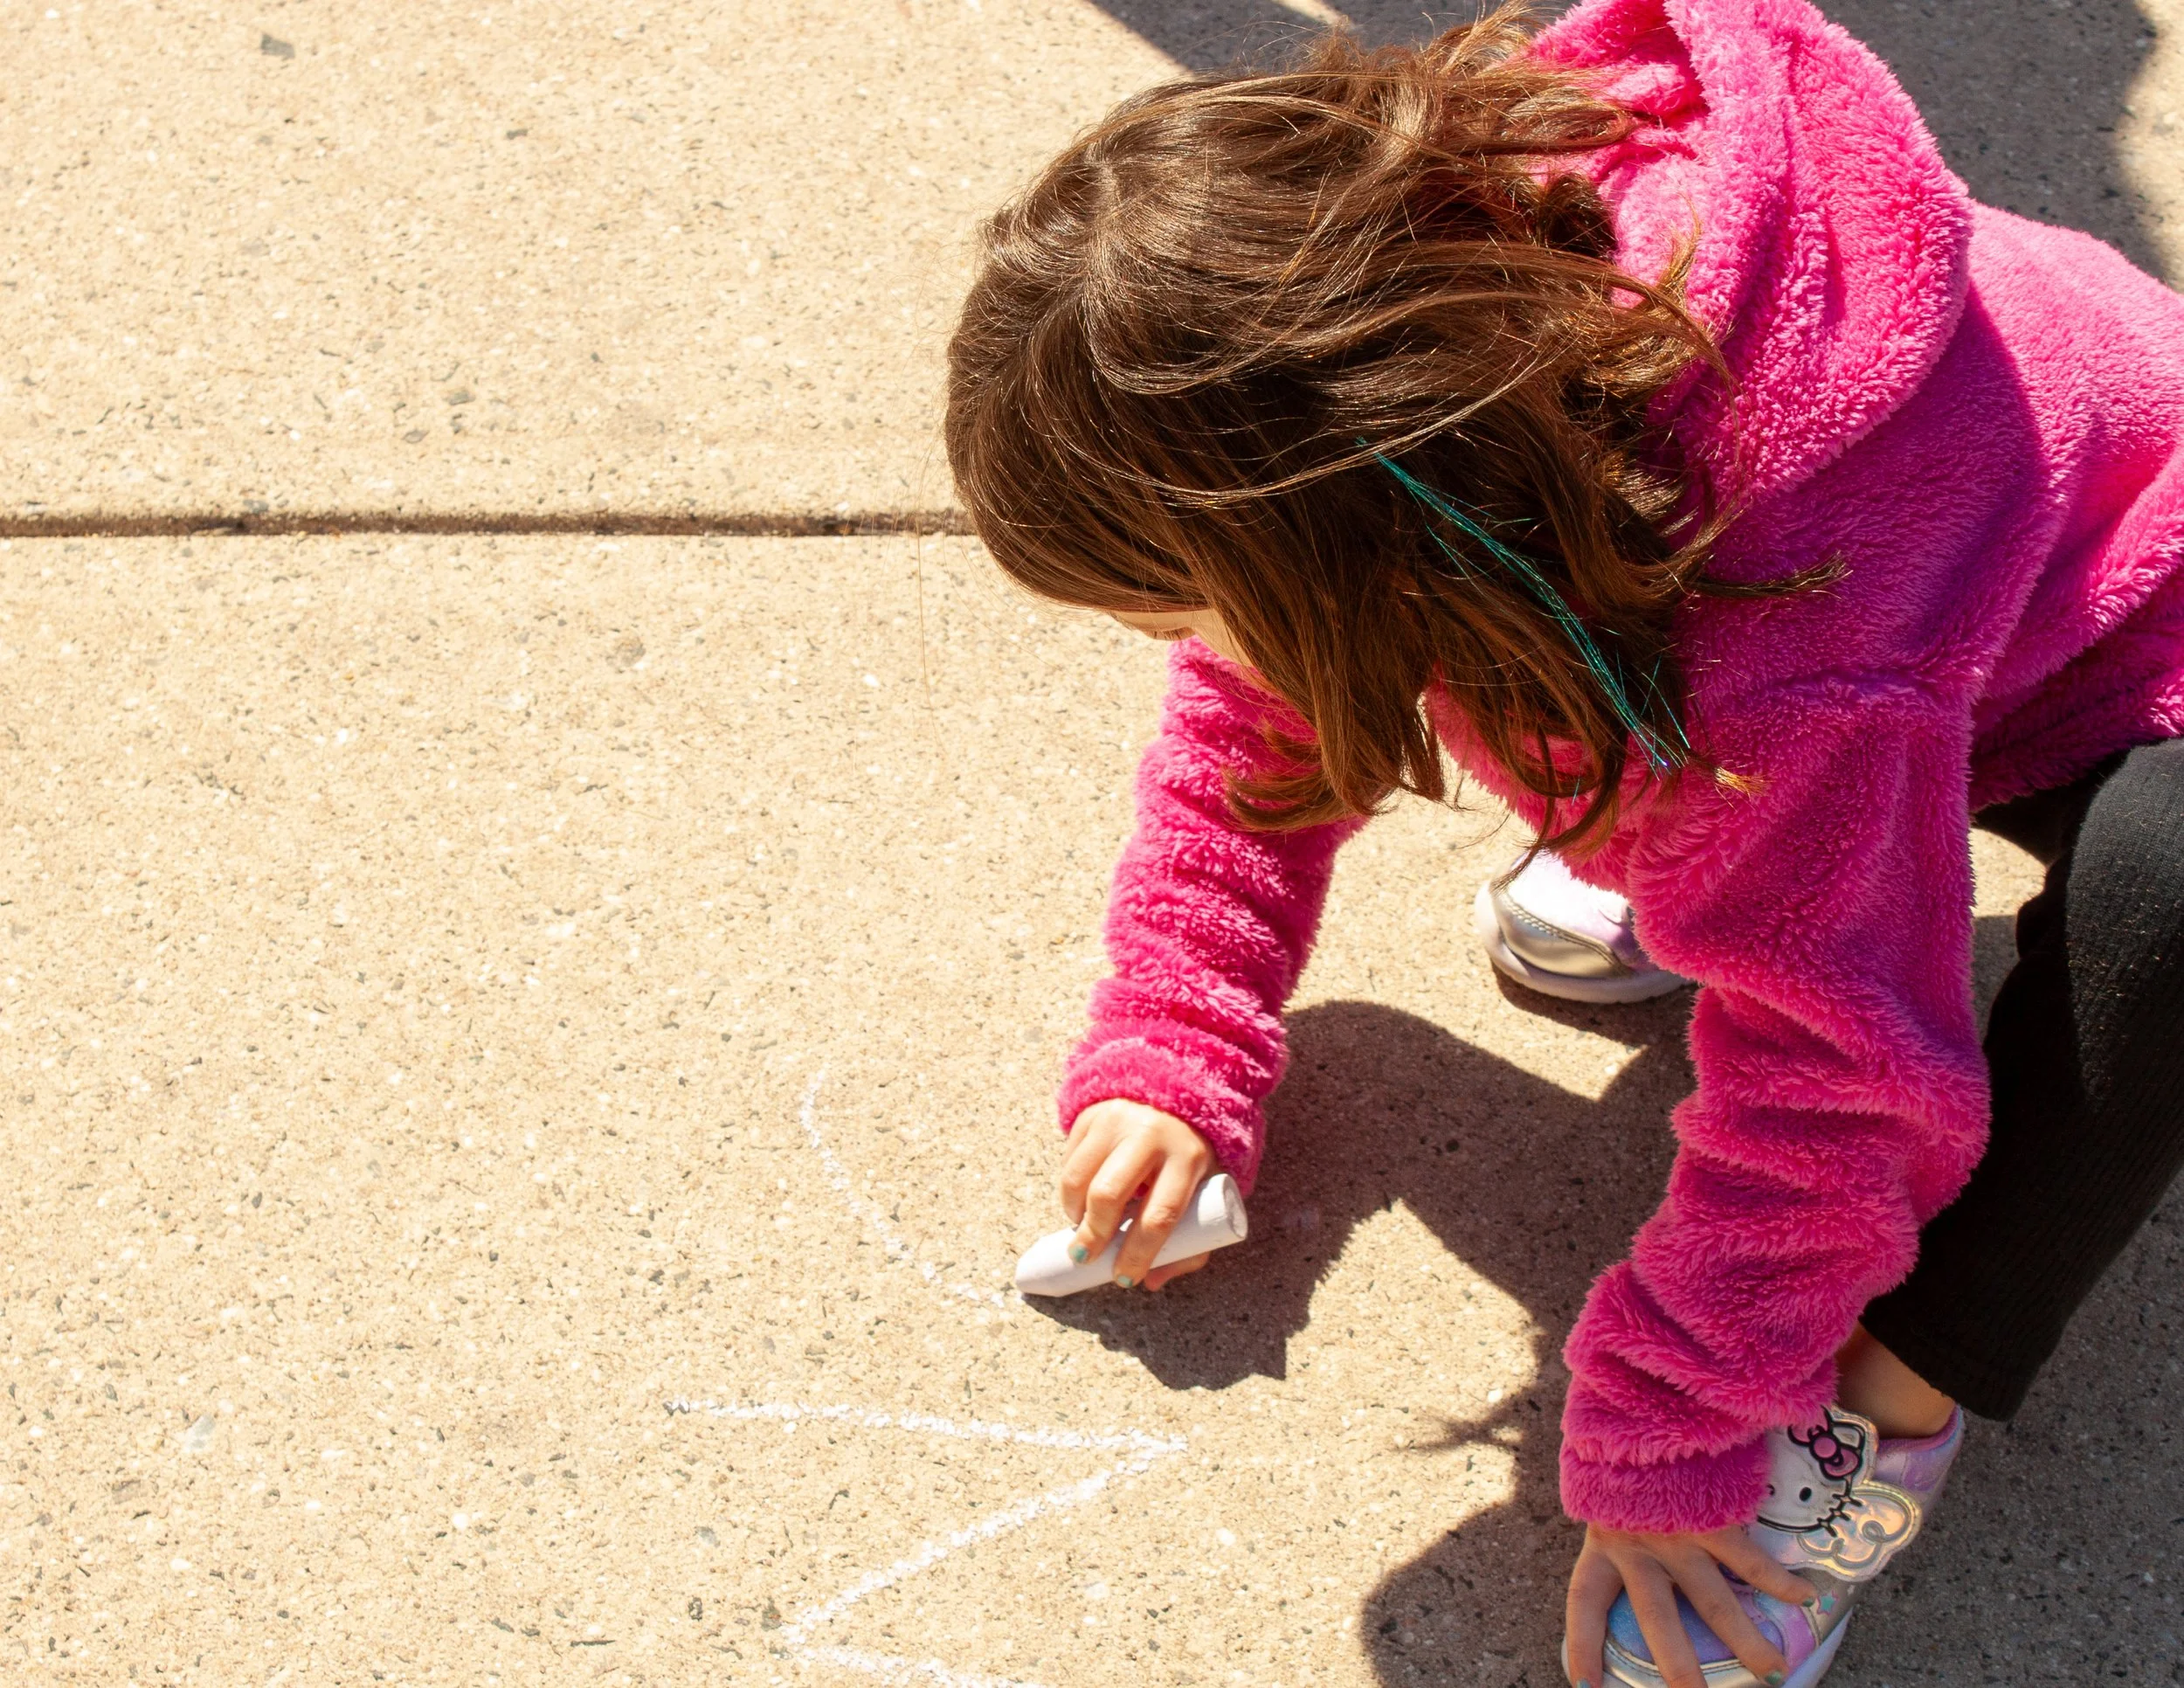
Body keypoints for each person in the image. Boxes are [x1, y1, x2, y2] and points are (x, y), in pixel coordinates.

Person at [942, 1, 2184, 1683]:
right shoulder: (1417, 367)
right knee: (1722, 814)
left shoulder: (1779, 657)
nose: (1194, 648)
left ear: (1366, 543)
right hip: (1872, 623)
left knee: (2160, 908)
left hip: (2120, 634)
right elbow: (1255, 711)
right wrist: (1178, 1033)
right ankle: (1666, 824)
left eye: (1190, 599)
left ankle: (1892, 1408)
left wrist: (1676, 1437)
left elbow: (1843, 1083)